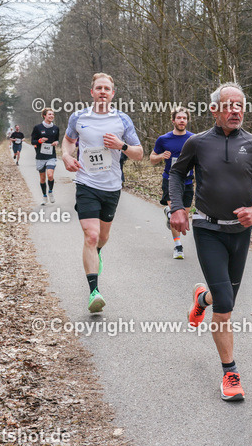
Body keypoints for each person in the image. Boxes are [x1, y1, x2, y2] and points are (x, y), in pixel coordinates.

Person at [169, 82, 252, 402]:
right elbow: (176, 174)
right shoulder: (197, 142)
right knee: (227, 307)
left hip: (240, 233)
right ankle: (230, 374)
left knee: (223, 297)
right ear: (214, 110)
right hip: (207, 228)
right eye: (229, 105)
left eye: (240, 106)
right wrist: (178, 207)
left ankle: (201, 298)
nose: (235, 111)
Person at [62, 73, 143, 313]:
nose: (103, 92)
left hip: (111, 187)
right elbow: (67, 141)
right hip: (86, 184)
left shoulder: (122, 119)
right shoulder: (79, 117)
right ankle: (94, 292)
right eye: (99, 88)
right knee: (91, 235)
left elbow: (139, 153)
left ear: (113, 94)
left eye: (107, 88)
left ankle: (95, 253)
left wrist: (122, 146)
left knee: (102, 238)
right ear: (92, 92)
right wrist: (66, 156)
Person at [149, 107, 194, 259]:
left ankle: (169, 213)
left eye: (184, 118)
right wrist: (161, 155)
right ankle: (178, 246)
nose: (182, 120)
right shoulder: (164, 139)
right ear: (173, 120)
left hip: (187, 181)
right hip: (170, 180)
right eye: (179, 118)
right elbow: (152, 159)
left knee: (184, 217)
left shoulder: (193, 139)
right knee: (176, 213)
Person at [30, 109, 60, 204]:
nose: (52, 116)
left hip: (51, 155)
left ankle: (50, 192)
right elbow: (32, 141)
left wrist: (56, 142)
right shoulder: (38, 128)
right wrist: (39, 141)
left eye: (53, 114)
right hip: (40, 156)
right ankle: (44, 196)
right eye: (49, 114)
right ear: (44, 115)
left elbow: (57, 140)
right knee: (42, 178)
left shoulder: (55, 128)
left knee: (50, 175)